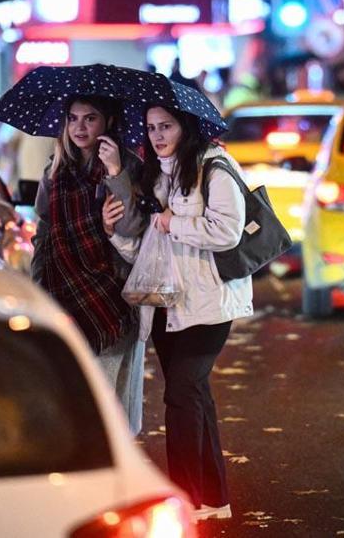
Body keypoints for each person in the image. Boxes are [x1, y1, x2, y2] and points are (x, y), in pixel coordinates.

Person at [102, 104, 253, 520]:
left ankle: (186, 499)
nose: (157, 135)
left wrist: (176, 223)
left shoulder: (214, 167)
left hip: (208, 304)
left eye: (166, 126)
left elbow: (227, 230)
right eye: (151, 128)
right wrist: (115, 236)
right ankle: (214, 498)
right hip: (168, 305)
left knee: (181, 394)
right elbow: (153, 248)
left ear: (185, 125)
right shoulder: (158, 177)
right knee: (194, 396)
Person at [30, 95, 147, 435]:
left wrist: (115, 172)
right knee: (71, 395)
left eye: (89, 119)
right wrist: (37, 288)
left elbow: (132, 229)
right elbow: (45, 232)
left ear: (108, 122)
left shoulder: (129, 166)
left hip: (111, 297)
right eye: (73, 118)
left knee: (108, 403)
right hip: (63, 292)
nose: (79, 127)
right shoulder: (55, 169)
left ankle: (115, 477)